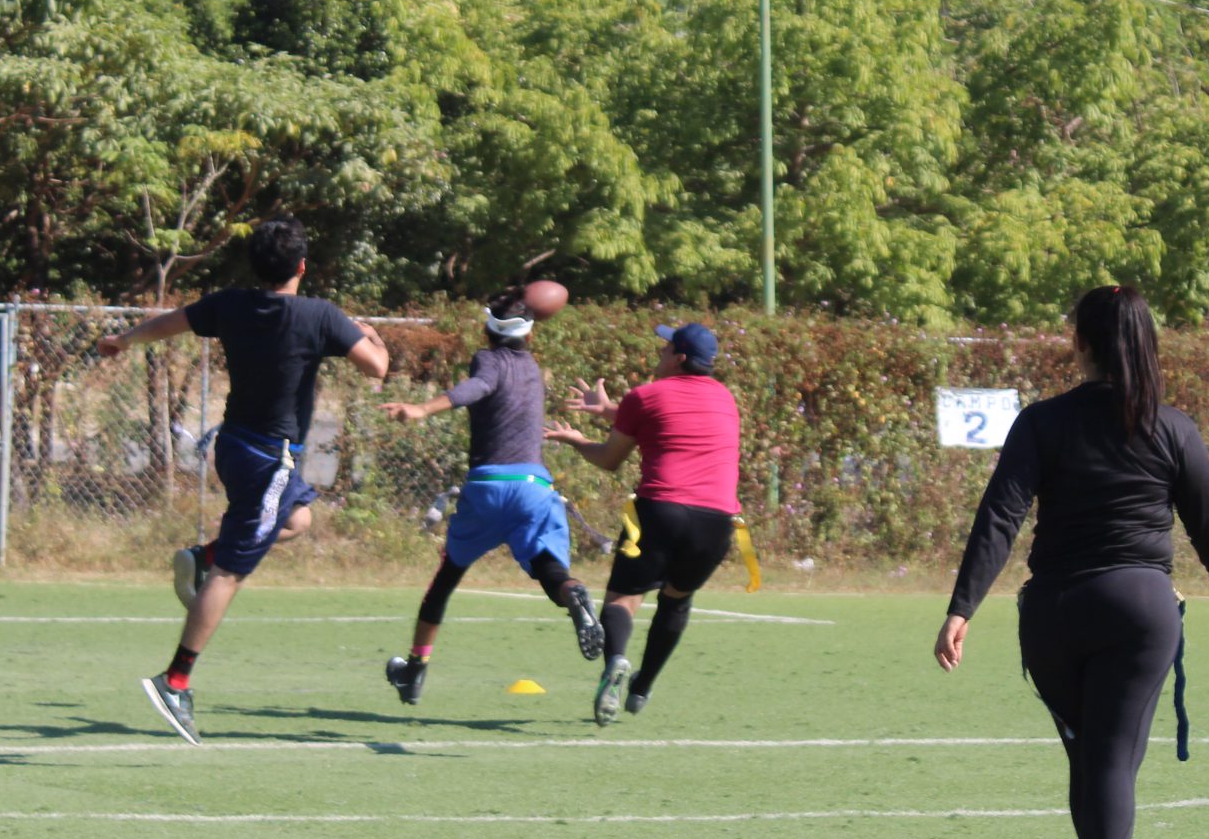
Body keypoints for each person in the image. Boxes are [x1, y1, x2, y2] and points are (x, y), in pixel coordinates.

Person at [934, 284, 1209, 839]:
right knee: (1109, 759)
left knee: (1093, 757)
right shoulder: (1172, 426)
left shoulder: (1043, 423)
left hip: (1053, 616)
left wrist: (962, 607)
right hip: (1138, 610)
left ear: (1082, 342)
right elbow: (1207, 514)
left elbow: (999, 517)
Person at [97, 218, 388, 744]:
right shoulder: (319, 315)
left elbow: (172, 323)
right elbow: (376, 369)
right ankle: (176, 680)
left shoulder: (231, 303)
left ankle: (203, 557)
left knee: (298, 518)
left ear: (256, 265)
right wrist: (372, 337)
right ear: (302, 266)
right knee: (232, 574)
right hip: (270, 460)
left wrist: (123, 340)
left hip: (232, 446)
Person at [375, 287, 602, 704]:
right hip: (535, 488)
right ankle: (574, 595)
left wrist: (422, 409)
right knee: (548, 567)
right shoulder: (532, 366)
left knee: (444, 581)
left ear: (486, 331)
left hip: (489, 488)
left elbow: (478, 386)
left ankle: (415, 671)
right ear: (530, 335)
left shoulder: (488, 360)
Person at [548, 322, 744, 726]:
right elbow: (669, 418)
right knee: (676, 599)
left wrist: (575, 439)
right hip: (719, 520)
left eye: (665, 348)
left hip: (661, 510)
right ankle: (641, 687)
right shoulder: (725, 399)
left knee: (623, 599)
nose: (659, 354)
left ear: (680, 358)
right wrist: (607, 410)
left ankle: (617, 661)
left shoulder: (646, 396)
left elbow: (609, 458)